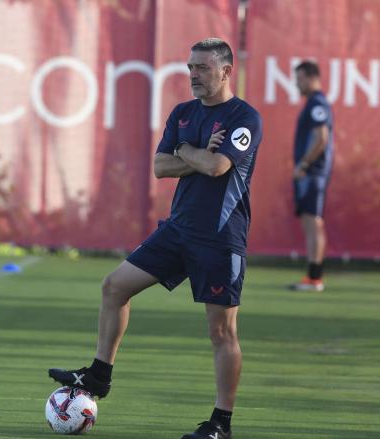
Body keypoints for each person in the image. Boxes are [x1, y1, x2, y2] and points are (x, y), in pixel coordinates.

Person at [49, 38, 262, 439]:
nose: (193, 75)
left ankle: (220, 424)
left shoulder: (244, 117)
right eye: (189, 67)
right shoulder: (182, 114)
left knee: (221, 332)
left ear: (226, 71)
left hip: (220, 238)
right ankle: (99, 375)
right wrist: (190, 149)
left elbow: (217, 167)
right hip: (178, 230)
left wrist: (192, 155)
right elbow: (161, 167)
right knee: (114, 287)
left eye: (201, 67)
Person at [288, 61, 334, 292]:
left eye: (299, 78)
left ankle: (315, 278)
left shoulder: (317, 102)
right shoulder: (313, 103)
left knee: (313, 222)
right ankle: (312, 276)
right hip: (311, 173)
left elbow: (321, 137)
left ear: (309, 77)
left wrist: (304, 164)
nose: (296, 82)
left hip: (313, 173)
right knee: (310, 222)